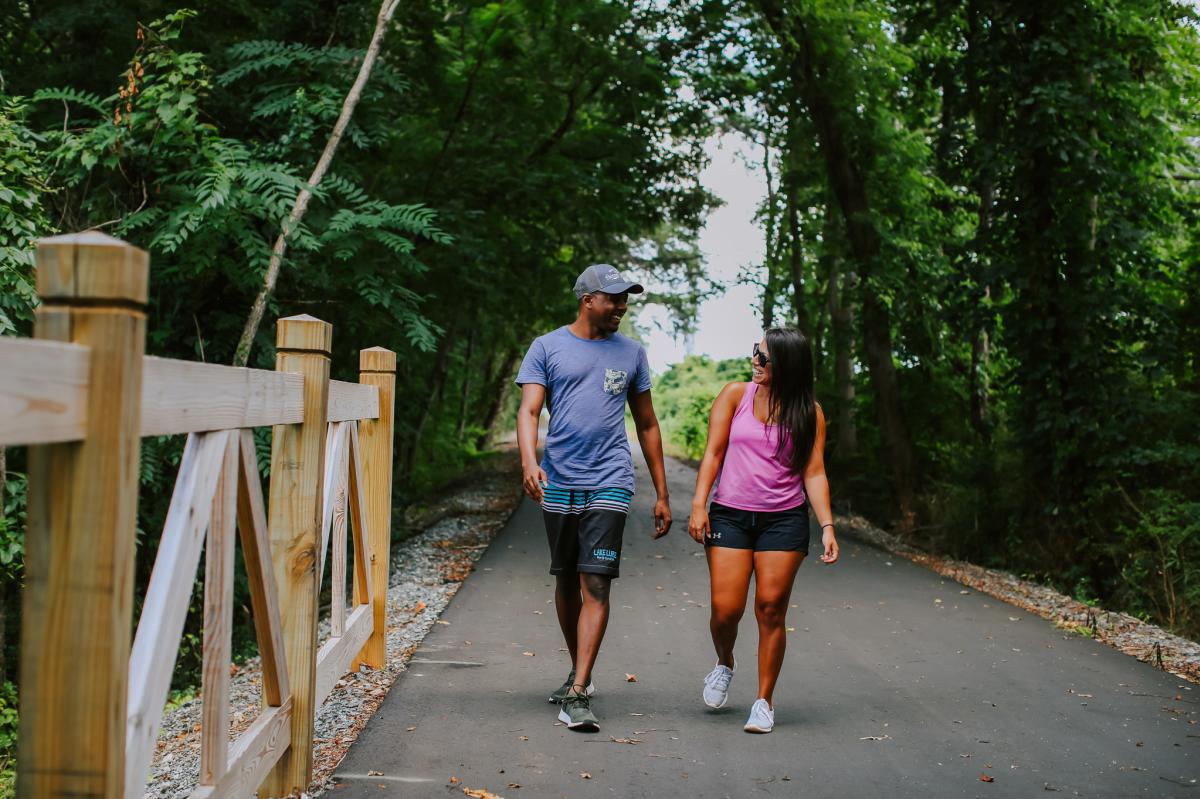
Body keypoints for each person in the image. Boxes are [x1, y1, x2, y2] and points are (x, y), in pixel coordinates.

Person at [516, 264, 673, 733]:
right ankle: (575, 670)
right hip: (559, 479)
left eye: (626, 298)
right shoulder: (547, 347)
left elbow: (646, 423)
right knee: (566, 580)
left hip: (611, 479)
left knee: (597, 582)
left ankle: (579, 692)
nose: (623, 306)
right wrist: (529, 461)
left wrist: (662, 493)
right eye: (615, 298)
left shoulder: (632, 353)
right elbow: (528, 409)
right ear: (588, 300)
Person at [687, 328, 838, 734]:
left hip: (784, 519)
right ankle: (725, 662)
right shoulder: (735, 395)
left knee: (771, 608)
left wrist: (826, 525)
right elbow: (714, 453)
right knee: (726, 611)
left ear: (786, 365)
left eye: (764, 357)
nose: (755, 360)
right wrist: (700, 504)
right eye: (755, 352)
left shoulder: (810, 412)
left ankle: (763, 701)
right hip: (731, 515)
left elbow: (815, 471)